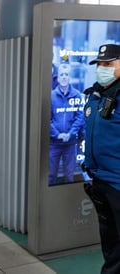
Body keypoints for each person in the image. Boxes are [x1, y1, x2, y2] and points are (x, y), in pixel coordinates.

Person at [83, 43, 120, 274]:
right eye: (99, 64)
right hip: (100, 182)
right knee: (110, 244)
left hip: (118, 183)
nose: (102, 68)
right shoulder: (94, 95)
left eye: (109, 64)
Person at [49, 62, 84, 185]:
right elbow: (47, 119)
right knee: (51, 175)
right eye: (62, 74)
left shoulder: (77, 95)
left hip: (70, 143)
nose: (64, 77)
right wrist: (57, 134)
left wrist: (70, 133)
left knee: (69, 175)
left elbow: (80, 118)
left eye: (66, 75)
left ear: (70, 77)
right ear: (57, 77)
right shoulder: (51, 96)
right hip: (54, 143)